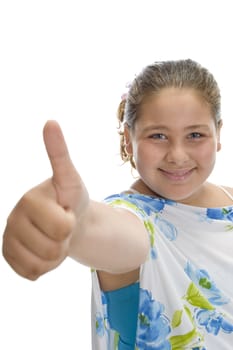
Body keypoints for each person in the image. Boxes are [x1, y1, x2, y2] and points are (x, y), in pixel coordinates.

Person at [2, 59, 233, 350]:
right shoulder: (135, 219)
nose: (177, 155)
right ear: (128, 139)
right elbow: (111, 233)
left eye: (195, 135)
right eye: (158, 136)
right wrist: (77, 223)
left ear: (218, 134)